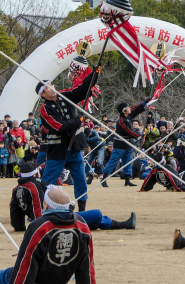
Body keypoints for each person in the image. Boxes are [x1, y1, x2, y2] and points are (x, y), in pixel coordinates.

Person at [0, 187, 95, 284]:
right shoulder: (82, 225)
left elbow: (26, 263)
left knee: (2, 276)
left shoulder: (41, 226)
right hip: (61, 277)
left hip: (37, 278)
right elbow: (87, 267)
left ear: (46, 205)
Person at [9, 161, 135, 233]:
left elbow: (14, 211)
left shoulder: (16, 189)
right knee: (96, 214)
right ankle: (123, 224)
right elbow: (39, 210)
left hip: (48, 220)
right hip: (51, 222)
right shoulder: (34, 187)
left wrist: (19, 226)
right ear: (34, 173)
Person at [37, 69, 98, 210]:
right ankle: (40, 208)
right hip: (57, 149)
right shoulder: (45, 109)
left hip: (75, 146)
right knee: (48, 181)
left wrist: (94, 74)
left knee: (81, 179)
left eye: (52, 85)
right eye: (48, 87)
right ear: (43, 94)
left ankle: (82, 209)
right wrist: (79, 120)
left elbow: (83, 89)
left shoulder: (64, 95)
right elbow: (60, 127)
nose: (53, 87)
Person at [102, 97, 153, 187]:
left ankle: (127, 180)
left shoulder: (128, 116)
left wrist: (145, 102)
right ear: (124, 110)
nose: (130, 109)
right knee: (113, 161)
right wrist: (139, 135)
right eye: (128, 108)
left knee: (128, 162)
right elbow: (128, 131)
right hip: (120, 144)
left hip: (129, 143)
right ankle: (104, 178)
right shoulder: (121, 121)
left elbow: (135, 109)